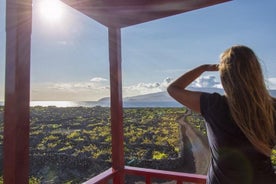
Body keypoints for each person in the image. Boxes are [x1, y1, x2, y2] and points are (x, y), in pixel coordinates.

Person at [167, 45, 276, 184]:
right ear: (257, 73)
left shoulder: (214, 105)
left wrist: (204, 67)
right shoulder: (272, 108)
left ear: (224, 76)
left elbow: (173, 89)